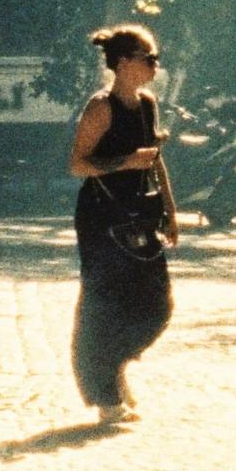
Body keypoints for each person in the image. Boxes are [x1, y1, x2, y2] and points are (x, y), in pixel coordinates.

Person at [68, 24, 179, 424]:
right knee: (104, 305)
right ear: (124, 63)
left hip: (139, 213)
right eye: (149, 58)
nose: (155, 65)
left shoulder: (148, 104)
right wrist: (124, 162)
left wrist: (170, 209)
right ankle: (105, 397)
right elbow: (77, 164)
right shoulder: (101, 108)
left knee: (156, 304)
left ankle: (113, 368)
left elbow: (155, 159)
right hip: (101, 217)